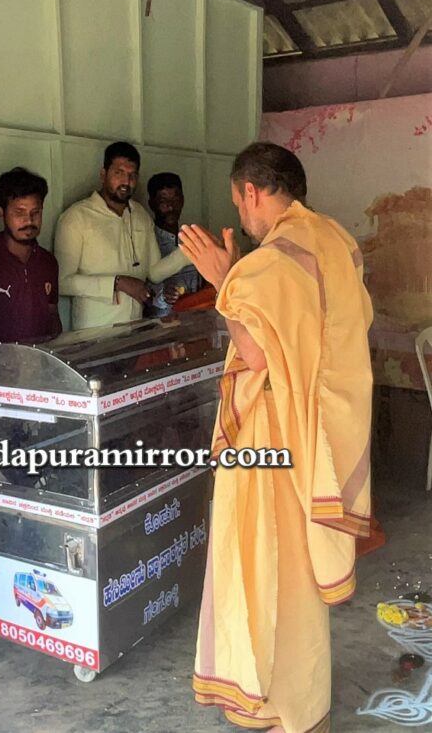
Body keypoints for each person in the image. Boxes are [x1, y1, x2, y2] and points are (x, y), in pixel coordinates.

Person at [180, 142, 372, 733]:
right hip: (315, 436)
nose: (241, 218)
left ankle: (274, 701)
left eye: (240, 204)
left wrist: (225, 281)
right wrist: (244, 276)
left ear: (252, 191)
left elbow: (257, 352)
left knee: (262, 564)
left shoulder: (277, 258)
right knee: (296, 576)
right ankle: (299, 700)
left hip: (272, 434)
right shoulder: (334, 241)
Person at [54, 141, 190, 330]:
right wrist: (118, 283)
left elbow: (154, 272)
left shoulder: (140, 215)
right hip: (95, 334)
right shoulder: (76, 217)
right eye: (119, 173)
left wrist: (189, 252)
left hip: (134, 331)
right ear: (103, 174)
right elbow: (62, 282)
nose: (126, 181)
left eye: (132, 175)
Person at [0, 167, 61, 344]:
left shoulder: (48, 262)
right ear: (1, 212)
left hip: (40, 358)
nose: (29, 221)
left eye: (35, 212)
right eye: (19, 213)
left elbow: (52, 314)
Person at [145, 172, 203, 318]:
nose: (171, 206)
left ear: (182, 200)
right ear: (151, 204)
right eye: (163, 200)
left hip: (195, 323)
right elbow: (142, 286)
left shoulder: (193, 238)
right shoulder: (146, 240)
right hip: (162, 327)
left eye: (175, 199)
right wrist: (162, 295)